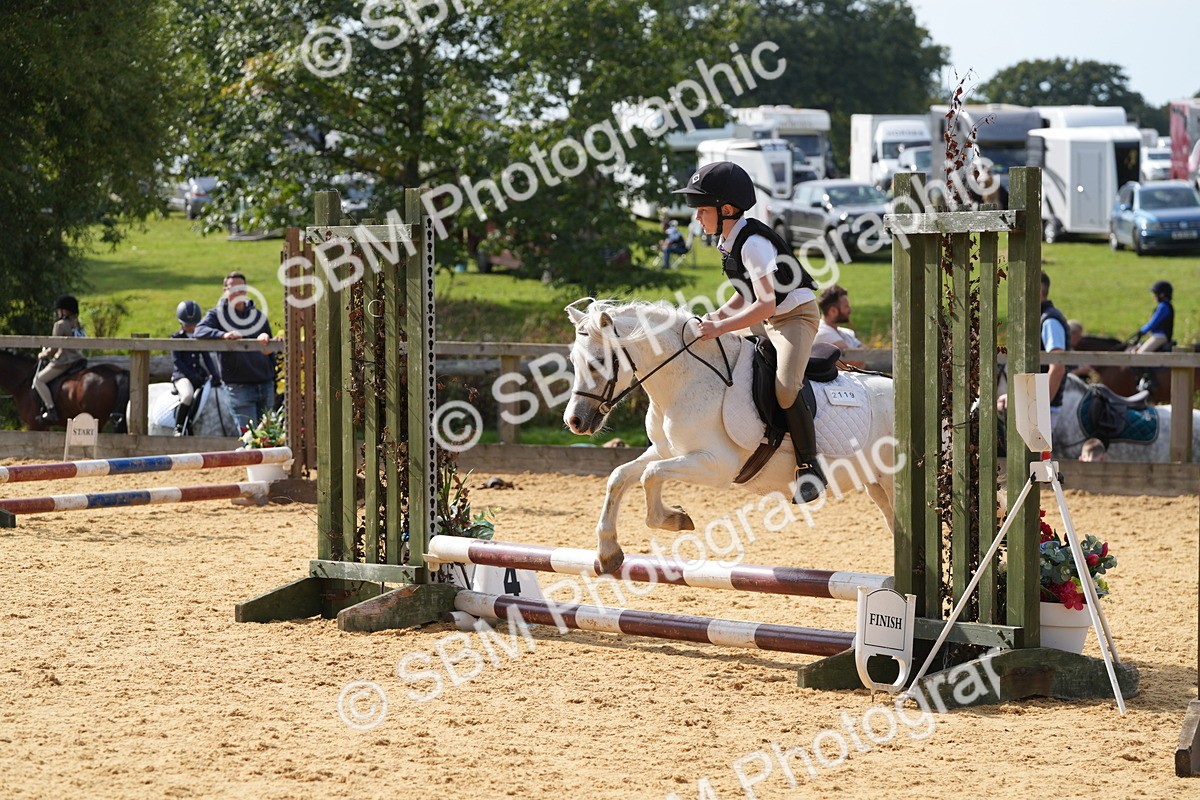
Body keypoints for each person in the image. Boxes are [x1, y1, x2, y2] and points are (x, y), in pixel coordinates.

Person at [674, 161, 825, 503]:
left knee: (785, 389)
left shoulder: (753, 243)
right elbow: (745, 294)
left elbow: (766, 304)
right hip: (768, 315)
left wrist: (721, 327)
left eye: (701, 210)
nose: (697, 217)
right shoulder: (729, 240)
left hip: (794, 317)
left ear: (725, 209)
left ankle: (809, 468)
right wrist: (714, 317)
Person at [194, 272, 276, 432]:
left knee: (269, 437)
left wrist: (267, 341)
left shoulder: (258, 316)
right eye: (232, 288)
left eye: (241, 288)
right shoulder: (217, 315)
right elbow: (199, 330)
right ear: (225, 290)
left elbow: (270, 349)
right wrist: (223, 335)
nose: (237, 292)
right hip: (239, 387)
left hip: (265, 383)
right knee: (250, 439)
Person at [996, 272, 1069, 423]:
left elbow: (1058, 368)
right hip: (1033, 404)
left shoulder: (1049, 321)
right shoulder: (1039, 319)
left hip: (1041, 410)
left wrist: (1037, 407)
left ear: (1037, 291)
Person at [32, 295, 85, 425]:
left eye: (59, 310)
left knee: (38, 380)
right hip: (78, 358)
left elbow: (54, 348)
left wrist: (43, 354)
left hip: (65, 361)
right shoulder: (77, 323)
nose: (57, 312)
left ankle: (51, 410)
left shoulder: (60, 325)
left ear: (64, 311)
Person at [170, 300, 220, 436]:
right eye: (187, 324)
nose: (191, 327)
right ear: (181, 322)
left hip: (198, 375)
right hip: (182, 376)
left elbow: (207, 358)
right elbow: (177, 362)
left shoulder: (199, 338)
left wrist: (215, 375)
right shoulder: (176, 338)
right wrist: (190, 376)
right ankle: (179, 426)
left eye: (194, 324)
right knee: (187, 396)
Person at [814, 284, 863, 350]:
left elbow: (866, 354)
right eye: (846, 306)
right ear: (833, 311)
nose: (850, 310)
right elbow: (851, 357)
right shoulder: (822, 332)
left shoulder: (846, 333)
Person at [1131, 280, 1174, 354]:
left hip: (1160, 337)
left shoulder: (1163, 306)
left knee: (1140, 354)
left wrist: (1141, 331)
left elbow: (1153, 323)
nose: (1154, 296)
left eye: (1155, 293)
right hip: (1156, 335)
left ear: (1162, 294)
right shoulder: (1164, 305)